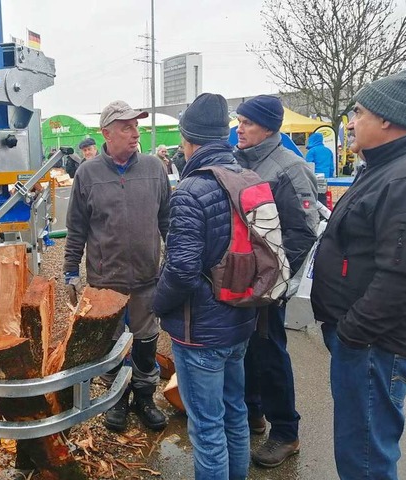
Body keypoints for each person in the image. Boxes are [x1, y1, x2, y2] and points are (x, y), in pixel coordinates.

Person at [311, 65, 406, 480]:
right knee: (359, 449)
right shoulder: (382, 167)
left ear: (388, 117)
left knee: (366, 460)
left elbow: (405, 277)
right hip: (365, 341)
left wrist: (353, 333)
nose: (351, 123)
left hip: (376, 345)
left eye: (358, 113)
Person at [153, 93, 256, 480]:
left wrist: (158, 305)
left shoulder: (193, 191)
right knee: (235, 414)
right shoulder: (247, 179)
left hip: (201, 332)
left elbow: (181, 269)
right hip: (241, 318)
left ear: (188, 139)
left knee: (208, 428)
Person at [63, 100, 171, 433]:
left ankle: (145, 398)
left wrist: (174, 264)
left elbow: (168, 221)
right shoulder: (87, 173)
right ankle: (117, 401)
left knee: (145, 340)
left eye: (136, 126)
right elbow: (77, 228)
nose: (135, 133)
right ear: (106, 133)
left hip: (145, 280)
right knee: (111, 342)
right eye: (127, 127)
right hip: (105, 283)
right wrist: (69, 270)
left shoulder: (154, 169)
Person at [234, 94, 319, 467]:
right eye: (239, 121)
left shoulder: (289, 167)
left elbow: (303, 232)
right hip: (239, 282)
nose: (240, 128)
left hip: (269, 285)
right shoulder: (239, 162)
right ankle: (254, 413)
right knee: (246, 350)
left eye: (248, 123)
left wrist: (275, 281)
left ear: (268, 127)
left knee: (269, 354)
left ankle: (286, 431)